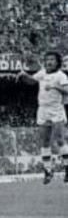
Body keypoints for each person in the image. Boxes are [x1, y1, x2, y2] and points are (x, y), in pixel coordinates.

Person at [16, 51, 68, 184]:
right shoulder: (42, 73)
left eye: (52, 60)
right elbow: (32, 81)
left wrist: (55, 87)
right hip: (43, 109)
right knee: (45, 141)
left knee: (59, 139)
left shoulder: (61, 76)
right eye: (47, 59)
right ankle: (48, 170)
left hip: (56, 110)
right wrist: (24, 75)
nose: (49, 62)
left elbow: (67, 91)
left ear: (57, 62)